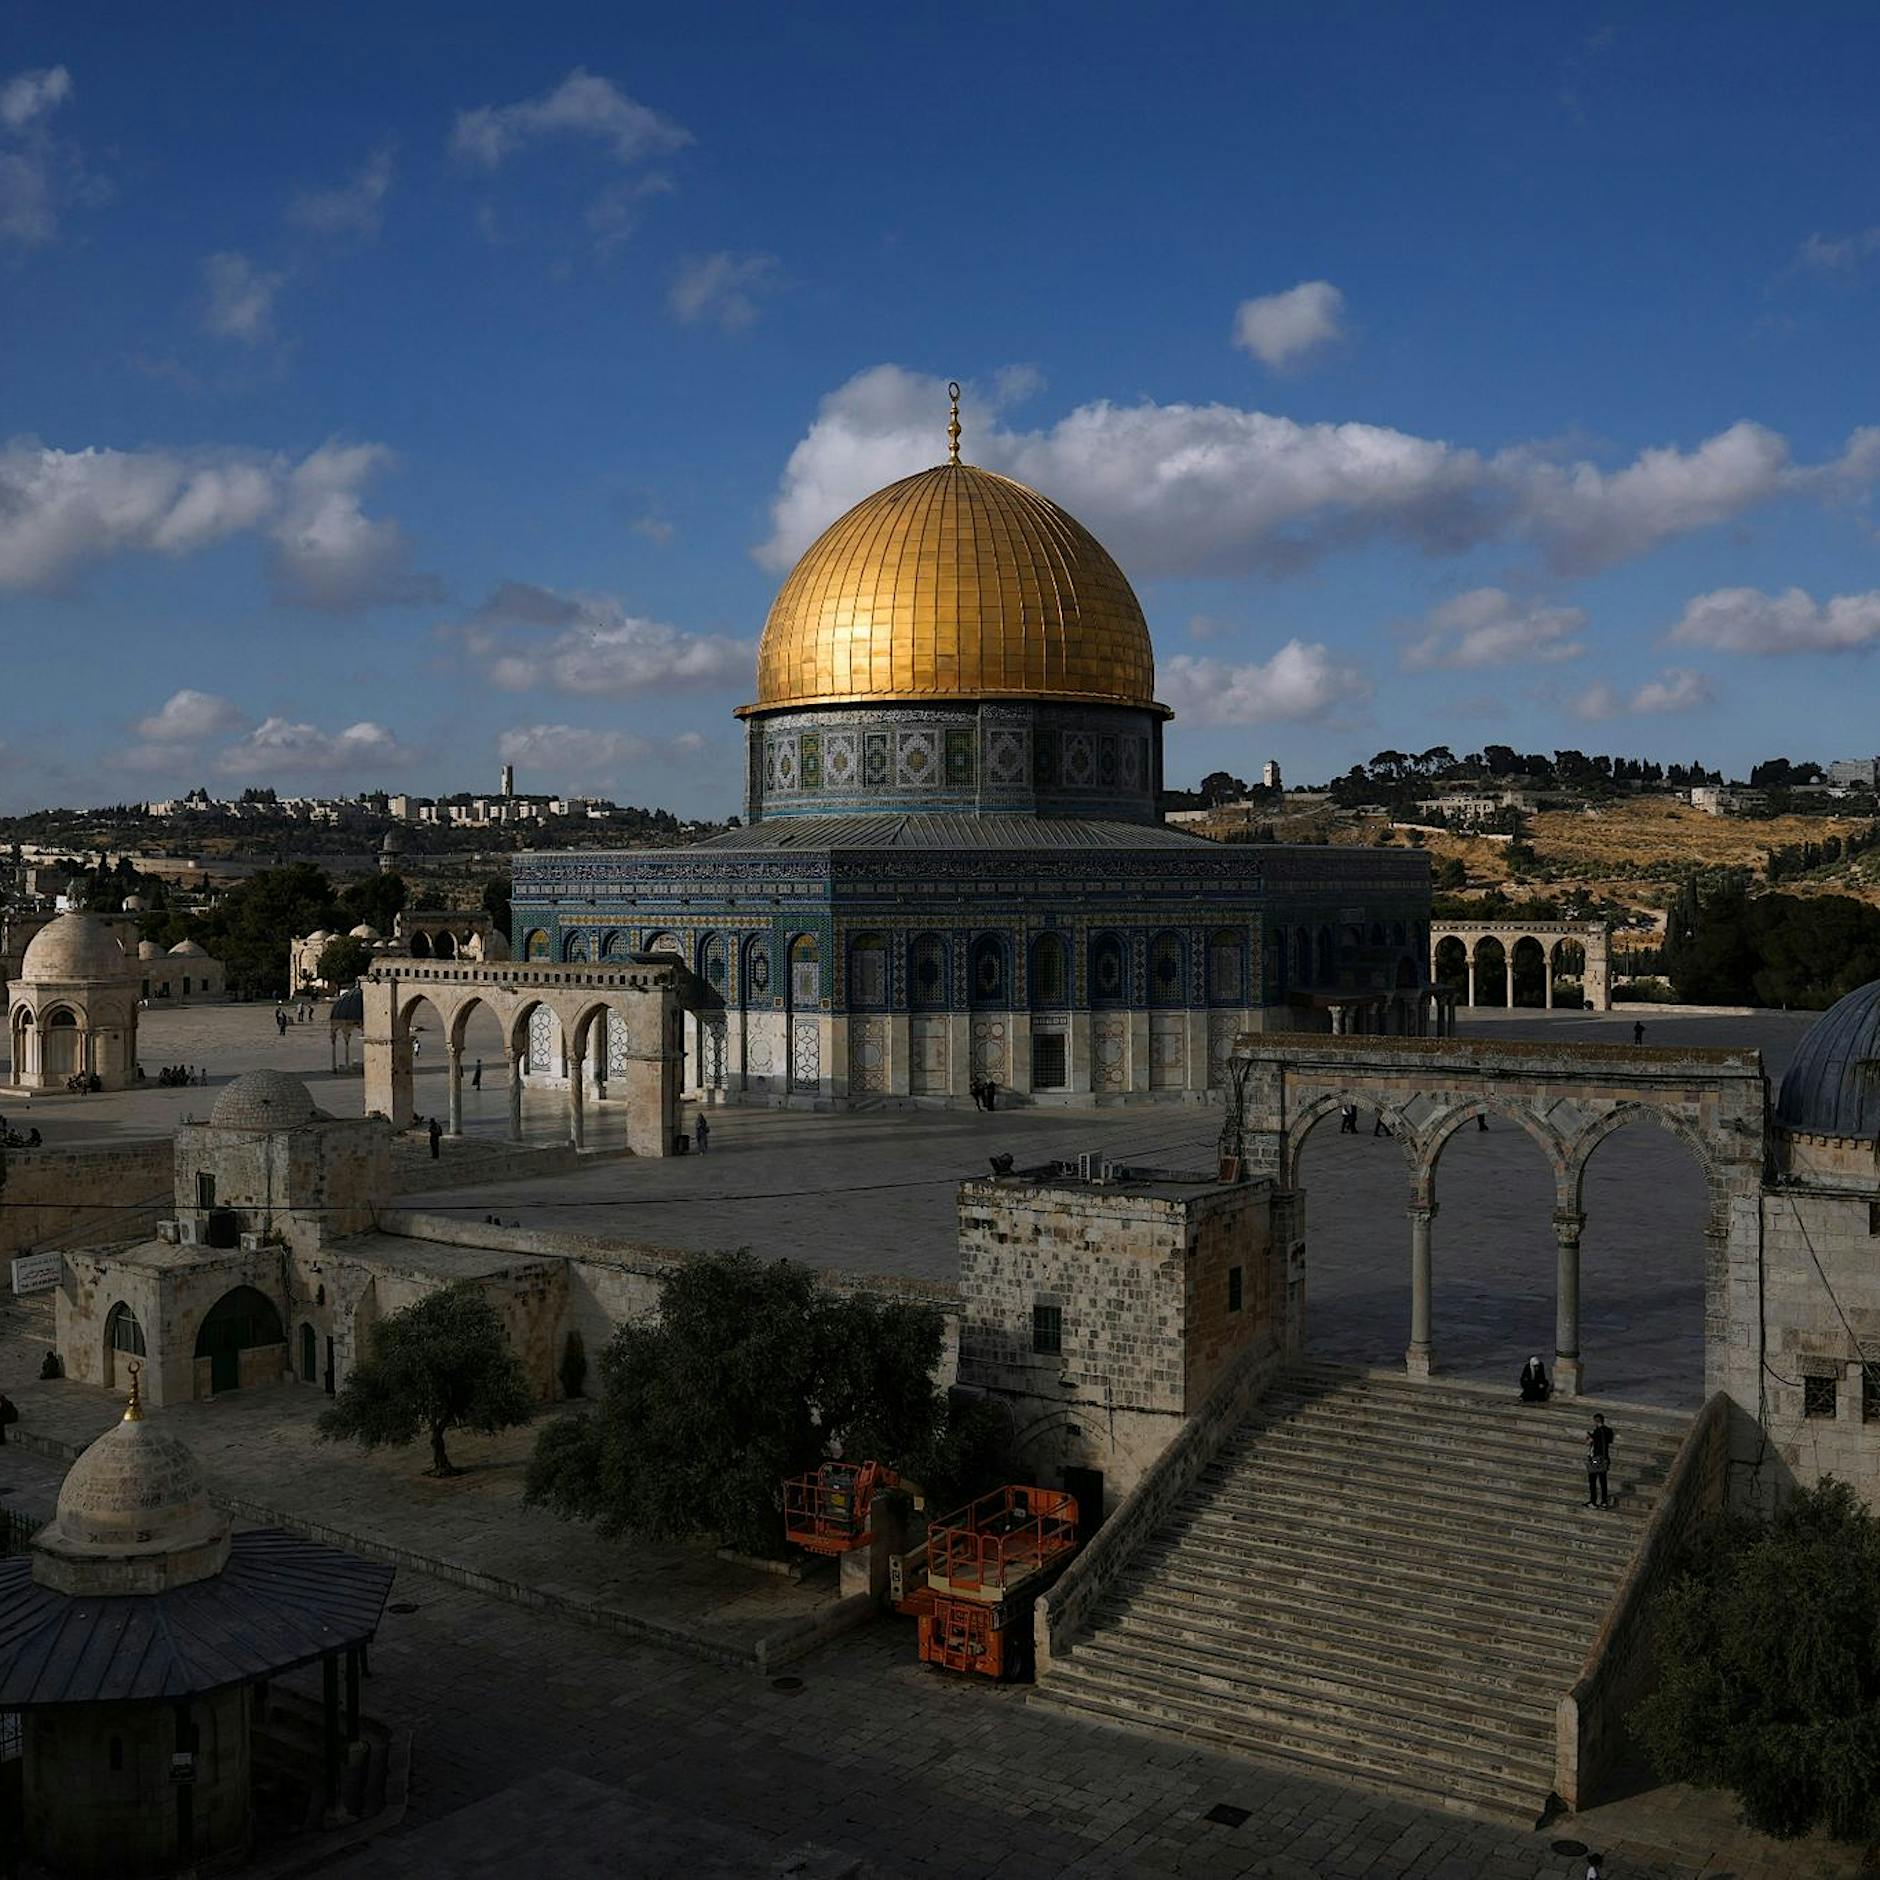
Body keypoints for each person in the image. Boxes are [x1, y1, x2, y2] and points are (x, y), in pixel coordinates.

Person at [1585, 1411, 1615, 1508]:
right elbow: (1609, 1441)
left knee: (1592, 1479)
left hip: (1595, 1459)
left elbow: (1589, 1443)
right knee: (1603, 1480)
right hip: (1605, 1458)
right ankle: (1604, 1502)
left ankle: (1593, 1501)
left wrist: (1590, 1438)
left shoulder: (1597, 1432)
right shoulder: (1608, 1430)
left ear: (1596, 1421)